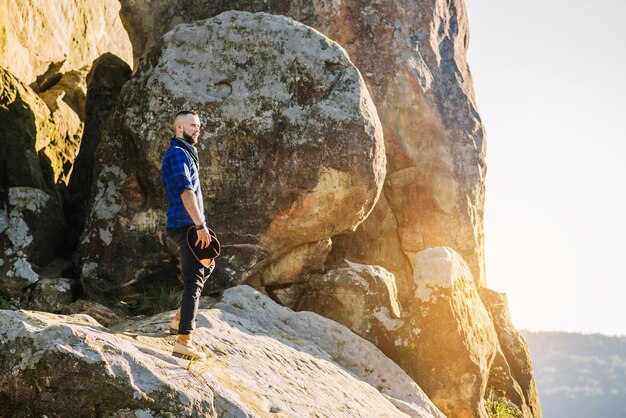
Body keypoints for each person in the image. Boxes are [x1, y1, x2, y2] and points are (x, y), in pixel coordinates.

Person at [161, 110, 214, 360]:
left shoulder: (186, 153)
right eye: (193, 125)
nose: (198, 129)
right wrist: (201, 225)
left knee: (208, 265)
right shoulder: (177, 154)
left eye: (199, 126)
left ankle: (180, 316)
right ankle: (183, 341)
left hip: (188, 224)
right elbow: (186, 192)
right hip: (186, 225)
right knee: (194, 279)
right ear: (179, 127)